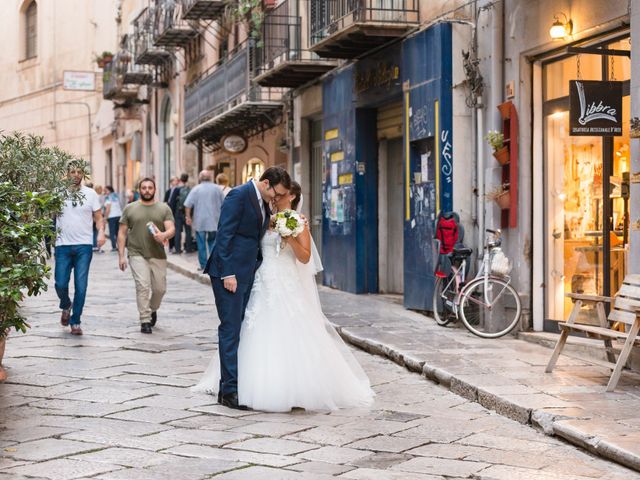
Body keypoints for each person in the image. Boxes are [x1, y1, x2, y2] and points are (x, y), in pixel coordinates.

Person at [193, 180, 374, 412]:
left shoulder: (298, 221)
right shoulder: (264, 215)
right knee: (248, 327)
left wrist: (288, 236)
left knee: (288, 329)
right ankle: (235, 384)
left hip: (284, 280)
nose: (276, 198)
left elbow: (306, 257)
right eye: (276, 194)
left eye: (282, 195)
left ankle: (290, 387)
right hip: (259, 278)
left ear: (292, 197)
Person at [196, 167, 288, 410]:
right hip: (230, 273)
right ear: (267, 183)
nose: (276, 199)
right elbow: (224, 234)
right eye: (276, 193)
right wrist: (228, 272)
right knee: (230, 329)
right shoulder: (238, 195)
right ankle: (229, 392)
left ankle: (227, 386)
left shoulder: (263, 201)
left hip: (247, 271)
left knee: (237, 329)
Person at [117, 178, 175, 334]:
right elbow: (122, 234)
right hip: (136, 253)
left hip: (158, 254)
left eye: (150, 188)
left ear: (154, 190)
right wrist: (121, 256)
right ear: (139, 190)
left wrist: (163, 234)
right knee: (142, 286)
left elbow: (171, 229)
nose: (147, 190)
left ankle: (152, 308)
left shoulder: (164, 208)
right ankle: (145, 320)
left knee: (160, 289)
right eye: (144, 188)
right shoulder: (130, 208)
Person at [54, 165, 105, 336]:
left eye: (79, 172)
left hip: (84, 246)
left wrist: (102, 233)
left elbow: (98, 217)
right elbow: (47, 213)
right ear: (66, 174)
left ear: (83, 174)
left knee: (81, 287)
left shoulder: (91, 194)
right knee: (60, 284)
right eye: (72, 172)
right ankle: (66, 305)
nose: (76, 175)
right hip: (62, 245)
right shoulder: (58, 192)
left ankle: (75, 321)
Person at [184, 170, 225, 270]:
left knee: (201, 244)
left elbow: (187, 205)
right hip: (214, 221)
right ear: (211, 177)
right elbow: (224, 204)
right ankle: (213, 264)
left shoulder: (196, 189)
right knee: (213, 243)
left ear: (200, 178)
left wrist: (188, 217)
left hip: (200, 221)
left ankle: (203, 265)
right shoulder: (217, 189)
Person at [174, 173, 194, 254]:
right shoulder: (190, 189)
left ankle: (178, 249)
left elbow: (172, 202)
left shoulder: (177, 189)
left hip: (178, 212)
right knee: (188, 231)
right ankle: (188, 248)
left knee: (178, 231)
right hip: (187, 212)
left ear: (180, 179)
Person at [103, 186, 122, 251]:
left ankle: (114, 247)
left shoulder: (108, 197)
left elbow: (108, 208)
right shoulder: (116, 196)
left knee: (112, 232)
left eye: (105, 190)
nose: (104, 192)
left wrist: (105, 218)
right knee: (117, 232)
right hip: (119, 215)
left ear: (109, 190)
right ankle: (119, 246)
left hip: (112, 217)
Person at [164, 176, 180, 252]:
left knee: (175, 230)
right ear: (171, 182)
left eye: (177, 180)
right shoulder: (168, 191)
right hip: (168, 212)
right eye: (174, 180)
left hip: (175, 213)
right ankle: (170, 246)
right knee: (169, 229)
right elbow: (165, 201)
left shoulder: (179, 190)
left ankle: (175, 246)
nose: (176, 182)